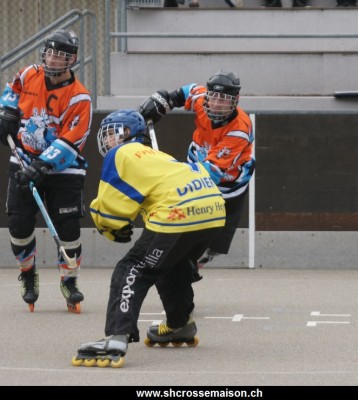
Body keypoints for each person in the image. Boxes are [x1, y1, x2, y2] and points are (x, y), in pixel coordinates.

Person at [71, 109, 225, 367]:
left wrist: (112, 228)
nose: (107, 140)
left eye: (111, 133)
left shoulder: (120, 154)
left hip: (178, 214)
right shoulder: (158, 155)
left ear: (127, 133)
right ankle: (179, 325)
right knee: (171, 264)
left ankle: (116, 337)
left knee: (132, 268)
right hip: (213, 210)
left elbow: (109, 209)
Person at [0, 29, 92, 313]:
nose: (52, 59)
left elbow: (73, 140)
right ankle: (28, 272)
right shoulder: (29, 74)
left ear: (72, 59)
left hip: (64, 170)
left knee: (68, 229)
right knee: (18, 224)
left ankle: (69, 280)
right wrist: (6, 112)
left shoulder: (80, 98)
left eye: (60, 55)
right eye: (49, 53)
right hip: (24, 158)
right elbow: (11, 91)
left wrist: (42, 165)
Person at [138, 70, 255, 278]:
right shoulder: (202, 100)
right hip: (197, 163)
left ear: (235, 101)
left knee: (211, 245)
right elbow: (187, 91)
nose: (216, 104)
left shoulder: (239, 129)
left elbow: (210, 173)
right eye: (214, 97)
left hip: (228, 185)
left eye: (224, 100)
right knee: (185, 225)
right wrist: (165, 101)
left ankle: (196, 260)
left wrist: (170, 173)